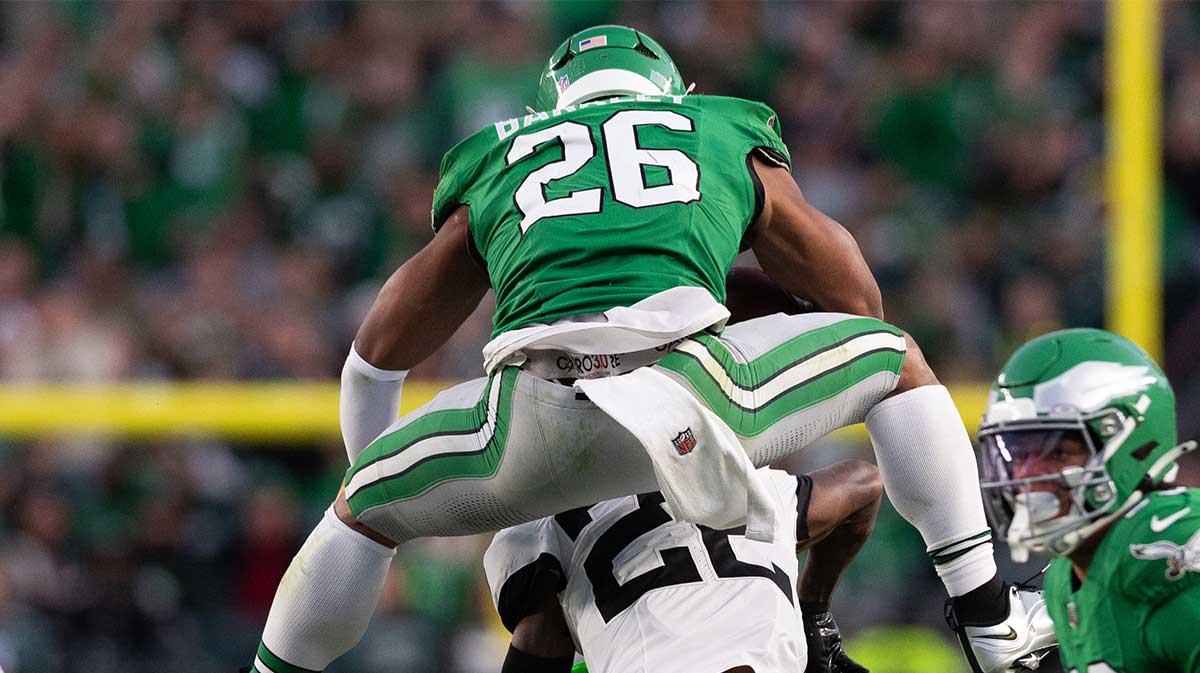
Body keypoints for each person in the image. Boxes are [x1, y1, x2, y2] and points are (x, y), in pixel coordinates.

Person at [246, 25, 1052, 673]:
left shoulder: (499, 155)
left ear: (550, 106)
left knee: (355, 512)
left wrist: (378, 474)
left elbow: (374, 355)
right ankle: (989, 621)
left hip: (532, 421)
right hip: (690, 395)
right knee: (892, 355)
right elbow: (855, 297)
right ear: (671, 94)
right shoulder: (716, 127)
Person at [485, 460, 882, 673]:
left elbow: (541, 641)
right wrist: (814, 611)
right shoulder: (756, 493)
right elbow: (865, 483)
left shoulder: (548, 524)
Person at [972, 328, 1200, 673]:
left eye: (1058, 452)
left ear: (1132, 448)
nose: (1026, 475)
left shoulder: (1168, 551)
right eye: (1019, 454)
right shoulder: (1064, 575)